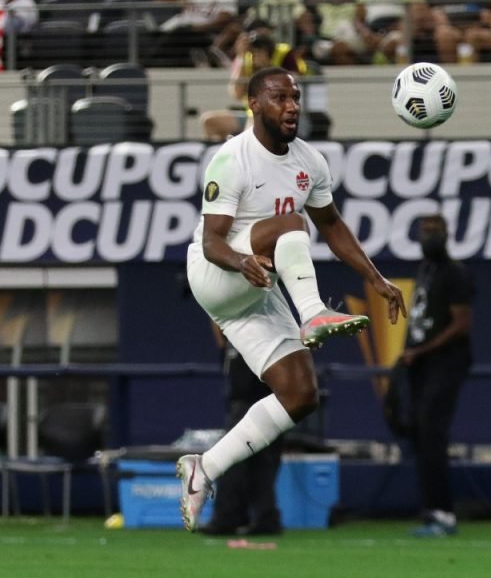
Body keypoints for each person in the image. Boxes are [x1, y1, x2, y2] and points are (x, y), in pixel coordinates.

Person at [178, 66, 406, 532]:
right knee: (290, 223)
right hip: (217, 274)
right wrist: (241, 262)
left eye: (295, 98)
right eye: (280, 98)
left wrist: (375, 278)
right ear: (254, 104)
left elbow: (334, 226)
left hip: (257, 290)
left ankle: (204, 468)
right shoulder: (232, 158)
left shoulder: (310, 162)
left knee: (300, 395)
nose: (292, 107)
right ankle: (314, 312)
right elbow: (212, 242)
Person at [399, 214, 474, 538]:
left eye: (436, 231)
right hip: (421, 364)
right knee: (420, 432)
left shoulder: (455, 273)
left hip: (445, 362)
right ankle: (431, 509)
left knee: (433, 432)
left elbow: (461, 324)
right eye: (425, 231)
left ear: (447, 234)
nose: (430, 237)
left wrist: (422, 349)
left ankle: (443, 512)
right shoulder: (425, 270)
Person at [201, 324, 284, 536]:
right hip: (250, 402)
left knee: (232, 459)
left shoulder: (258, 330)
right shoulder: (231, 337)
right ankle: (265, 519)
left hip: (258, 402)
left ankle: (227, 518)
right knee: (259, 463)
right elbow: (220, 336)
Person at [201, 29, 308, 141]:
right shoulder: (247, 61)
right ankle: (226, 151)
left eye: (260, 51)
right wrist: (241, 57)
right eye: (253, 51)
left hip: (282, 118)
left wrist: (267, 67)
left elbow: (294, 83)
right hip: (250, 115)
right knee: (209, 121)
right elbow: (237, 94)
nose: (255, 56)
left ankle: (246, 148)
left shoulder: (283, 59)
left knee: (257, 120)